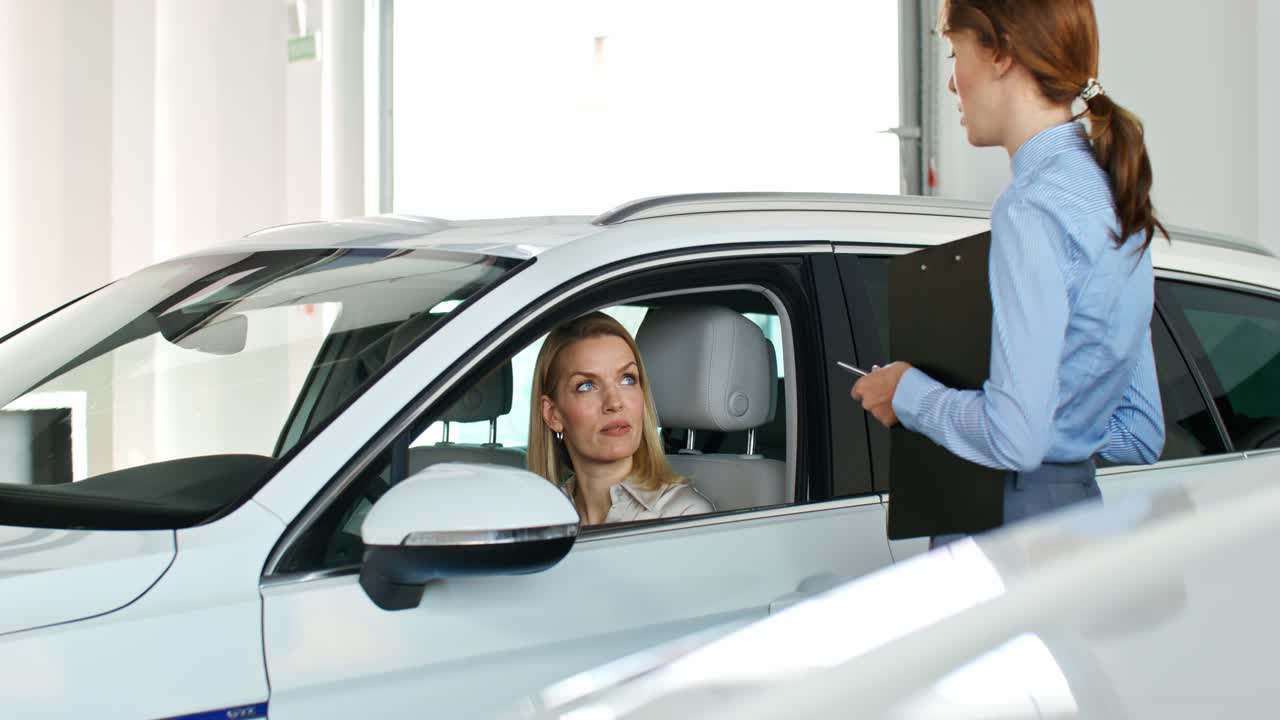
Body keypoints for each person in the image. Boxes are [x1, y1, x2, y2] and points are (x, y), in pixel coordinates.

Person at [852, 0, 1165, 541]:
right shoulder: (1114, 194)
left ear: (999, 54)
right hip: (1079, 526)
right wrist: (1059, 432)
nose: (951, 84)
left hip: (1003, 530)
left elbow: (1015, 437)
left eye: (955, 52)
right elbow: (1140, 432)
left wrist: (906, 391)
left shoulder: (1030, 207)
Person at [528, 311, 713, 526]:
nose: (614, 402)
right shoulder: (541, 517)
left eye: (627, 379)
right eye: (586, 385)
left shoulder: (684, 515)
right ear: (552, 414)